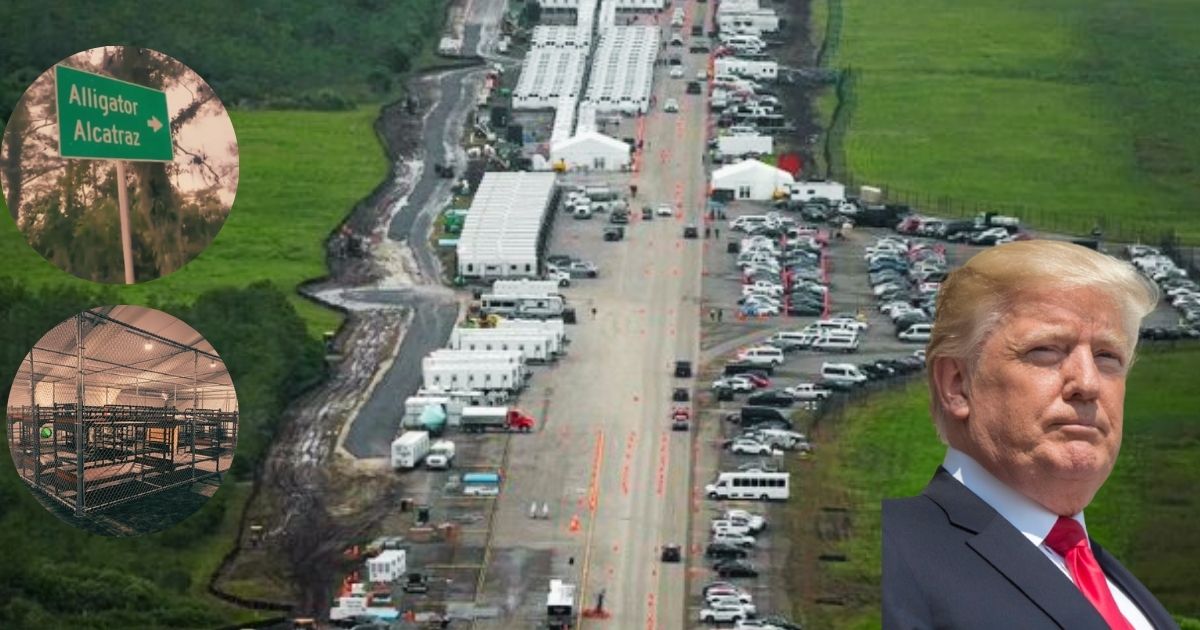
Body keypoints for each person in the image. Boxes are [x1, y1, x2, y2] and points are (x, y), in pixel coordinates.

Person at [883, 240, 1176, 629]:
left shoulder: (1123, 590)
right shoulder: (896, 557)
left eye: (1107, 357)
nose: (1087, 383)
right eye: (1047, 351)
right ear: (957, 384)